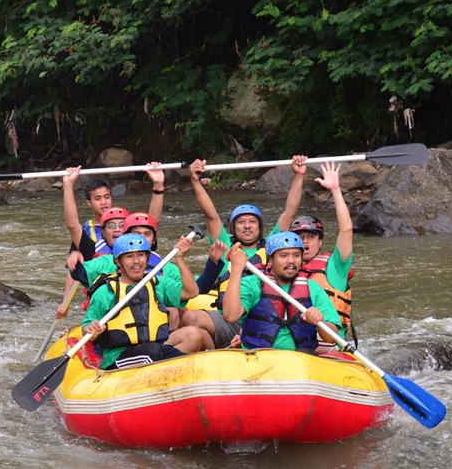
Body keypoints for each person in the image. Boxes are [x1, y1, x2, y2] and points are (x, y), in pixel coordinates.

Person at [179, 155, 307, 347]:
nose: (247, 226)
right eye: (241, 222)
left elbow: (289, 213)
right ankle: (214, 357)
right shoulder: (225, 245)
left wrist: (298, 176)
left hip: (262, 320)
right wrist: (195, 181)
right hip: (230, 319)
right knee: (191, 319)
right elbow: (211, 215)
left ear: (260, 227)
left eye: (252, 222)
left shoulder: (273, 247)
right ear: (233, 227)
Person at [82, 233, 212, 370]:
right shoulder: (105, 292)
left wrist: (180, 258)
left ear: (147, 257)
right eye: (129, 256)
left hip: (154, 350)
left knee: (184, 351)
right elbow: (86, 329)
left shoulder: (158, 284)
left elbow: (191, 292)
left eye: (140, 255)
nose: (136, 261)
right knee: (153, 352)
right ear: (118, 262)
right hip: (118, 357)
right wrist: (91, 330)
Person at [56, 163, 168, 318]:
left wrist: (158, 184)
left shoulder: (135, 244)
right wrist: (68, 186)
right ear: (103, 231)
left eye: (121, 225)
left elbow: (152, 221)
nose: (117, 229)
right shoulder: (93, 246)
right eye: (111, 226)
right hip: (110, 308)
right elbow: (73, 226)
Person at [221, 231, 341, 353]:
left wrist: (320, 322)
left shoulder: (313, 288)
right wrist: (237, 269)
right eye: (283, 255)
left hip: (302, 360)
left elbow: (331, 338)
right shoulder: (254, 283)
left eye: (296, 255)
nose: (291, 261)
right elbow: (230, 315)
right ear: (271, 259)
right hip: (256, 357)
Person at [288, 161, 356, 351]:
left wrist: (335, 189)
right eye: (300, 238)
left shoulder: (335, 267)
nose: (305, 242)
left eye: (311, 237)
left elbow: (346, 230)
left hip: (328, 342)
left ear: (320, 242)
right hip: (294, 338)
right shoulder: (283, 268)